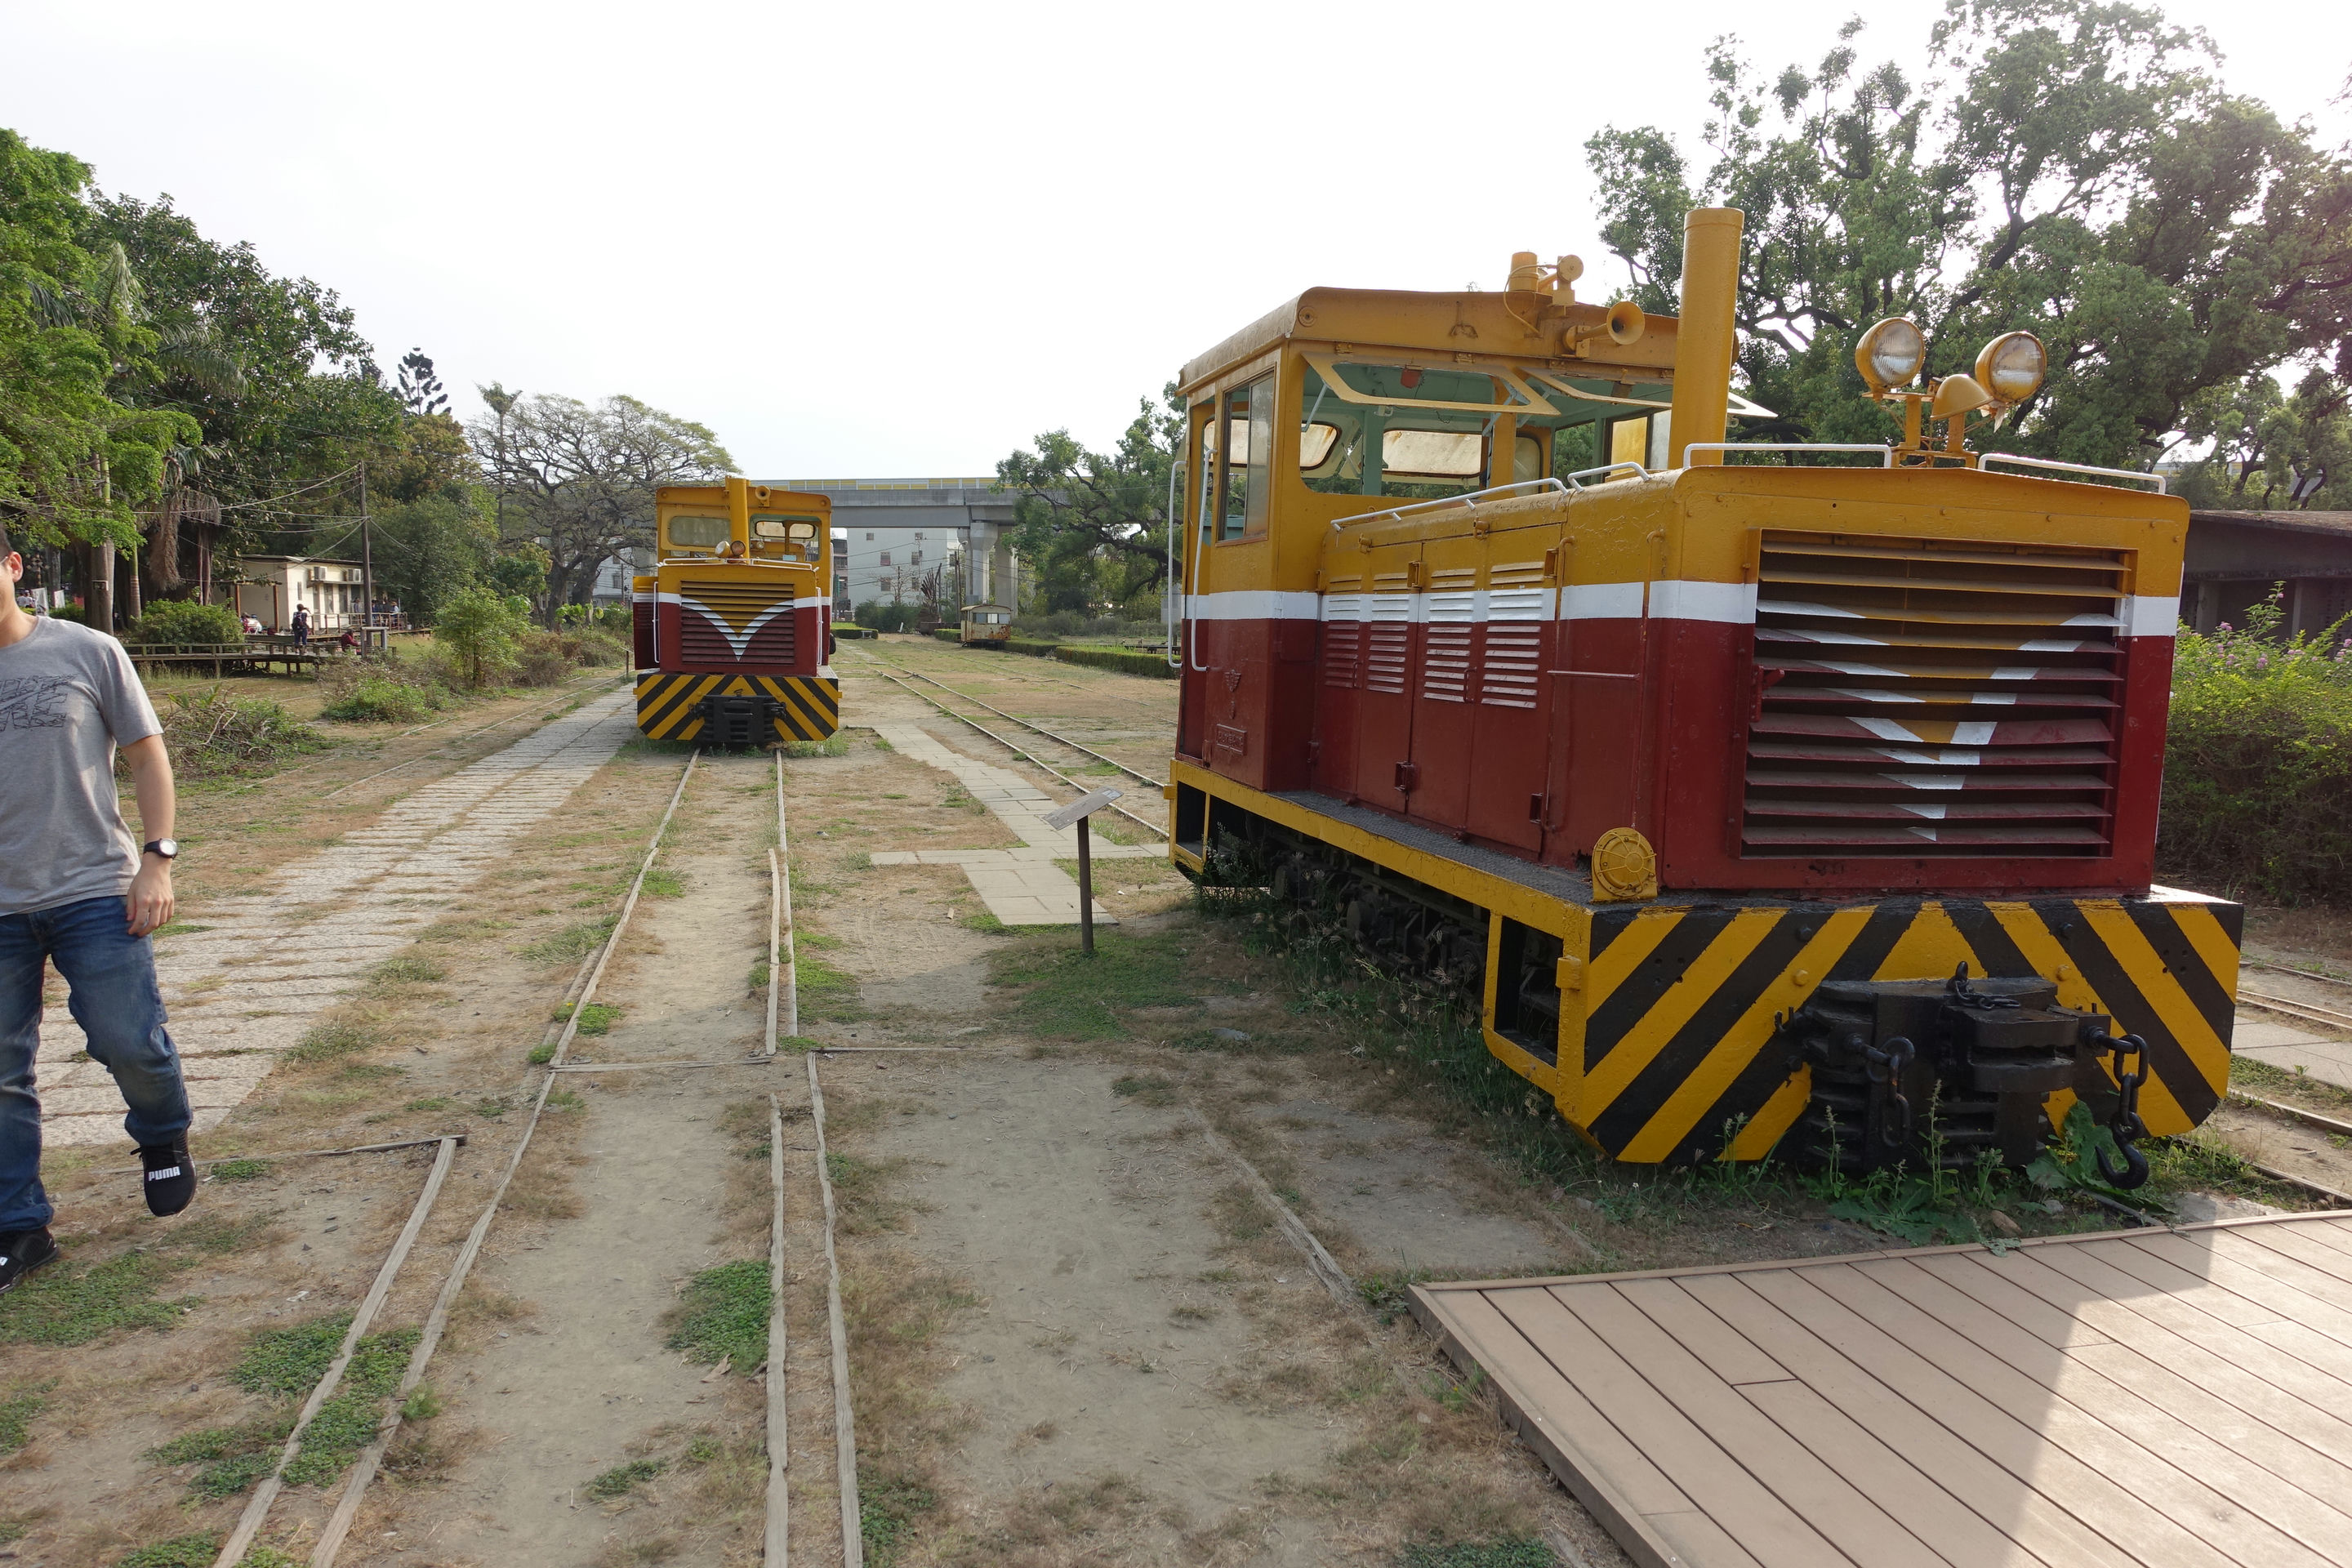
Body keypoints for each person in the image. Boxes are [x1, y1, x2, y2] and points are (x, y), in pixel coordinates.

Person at [0, 523, 195, 1295]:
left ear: (13, 565)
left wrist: (157, 859)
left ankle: (162, 1136)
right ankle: (20, 1225)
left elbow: (148, 754)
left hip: (91, 887)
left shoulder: (85, 650)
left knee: (126, 1040)